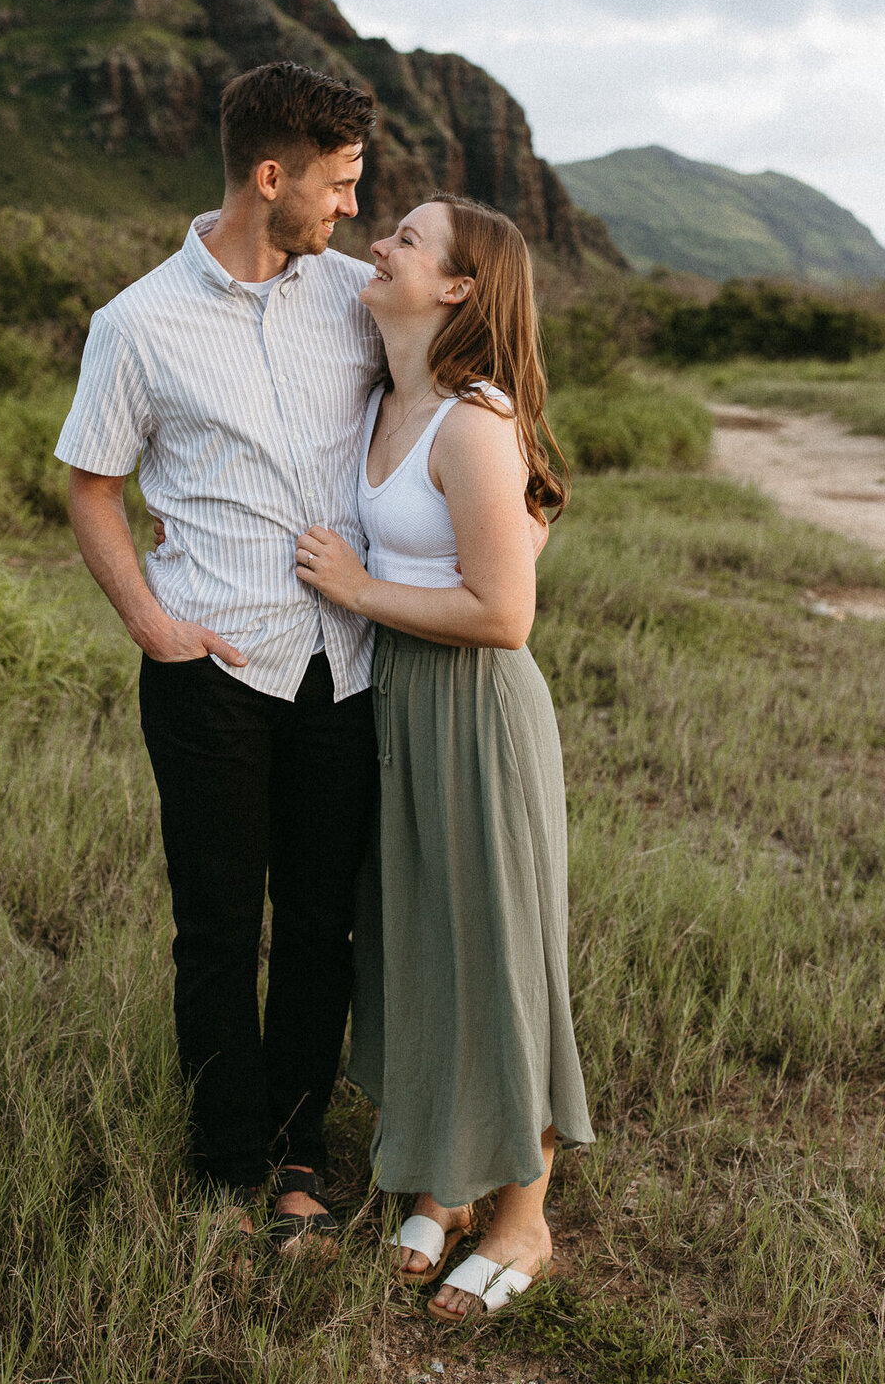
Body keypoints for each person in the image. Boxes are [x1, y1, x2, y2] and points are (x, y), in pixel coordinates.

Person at [54, 61, 383, 1244]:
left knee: (318, 926)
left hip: (343, 665)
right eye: (339, 185)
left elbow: (469, 378)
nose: (351, 208)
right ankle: (223, 1160)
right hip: (211, 671)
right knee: (216, 924)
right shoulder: (136, 322)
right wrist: (151, 622)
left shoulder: (358, 297)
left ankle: (300, 1154)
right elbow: (93, 487)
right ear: (270, 176)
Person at [293, 194, 594, 1321]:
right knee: (418, 936)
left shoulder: (473, 420)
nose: (382, 244)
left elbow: (506, 613)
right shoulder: (386, 401)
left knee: (498, 948)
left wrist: (359, 588)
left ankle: (525, 1212)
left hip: (476, 711)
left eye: (408, 239)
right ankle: (441, 1181)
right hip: (399, 705)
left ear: (459, 287)